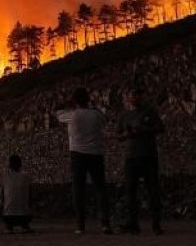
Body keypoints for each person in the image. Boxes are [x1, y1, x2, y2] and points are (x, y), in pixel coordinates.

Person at [55, 87, 112, 234]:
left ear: (75, 101)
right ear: (88, 99)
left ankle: (80, 225)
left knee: (78, 189)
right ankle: (105, 223)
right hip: (96, 153)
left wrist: (67, 103)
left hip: (78, 154)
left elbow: (57, 113)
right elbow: (104, 122)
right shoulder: (96, 115)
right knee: (100, 188)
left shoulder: (72, 115)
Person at [117, 87, 165, 235]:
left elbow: (161, 128)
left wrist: (145, 129)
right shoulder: (124, 115)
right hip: (131, 157)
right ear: (128, 98)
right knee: (130, 192)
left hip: (148, 156)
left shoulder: (150, 112)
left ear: (142, 97)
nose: (135, 98)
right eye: (133, 95)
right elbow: (118, 136)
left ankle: (156, 225)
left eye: (138, 95)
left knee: (153, 191)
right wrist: (128, 133)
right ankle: (133, 224)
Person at [1, 154, 33, 233]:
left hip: (8, 217)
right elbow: (30, 195)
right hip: (24, 216)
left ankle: (9, 227)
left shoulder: (5, 177)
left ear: (9, 166)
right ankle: (25, 226)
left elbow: (2, 195)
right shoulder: (26, 178)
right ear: (20, 165)